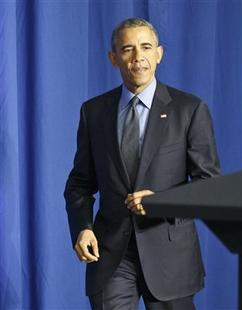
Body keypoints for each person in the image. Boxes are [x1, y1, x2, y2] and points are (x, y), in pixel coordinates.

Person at [64, 17, 220, 309]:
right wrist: (83, 228)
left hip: (171, 257)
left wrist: (163, 202)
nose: (138, 57)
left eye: (146, 47)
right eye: (128, 49)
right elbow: (80, 184)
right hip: (112, 254)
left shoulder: (190, 109)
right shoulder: (94, 112)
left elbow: (209, 185)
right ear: (114, 58)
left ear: (158, 54)